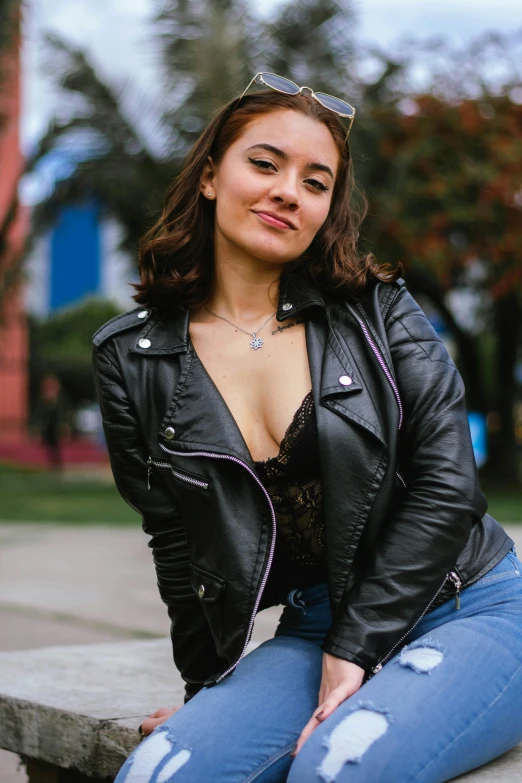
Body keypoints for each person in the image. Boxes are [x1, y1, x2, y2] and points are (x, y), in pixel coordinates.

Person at [92, 73, 522, 783]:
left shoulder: (378, 310)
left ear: (327, 208)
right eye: (265, 163)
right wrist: (208, 695)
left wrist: (356, 647)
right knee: (159, 772)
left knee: (339, 765)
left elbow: (448, 484)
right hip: (317, 625)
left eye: (316, 181)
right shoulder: (134, 358)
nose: (290, 191)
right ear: (209, 176)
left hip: (467, 605)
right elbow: (176, 539)